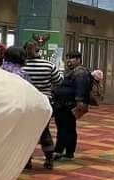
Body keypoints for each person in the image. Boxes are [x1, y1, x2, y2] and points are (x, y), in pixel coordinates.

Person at [23, 40, 62, 169]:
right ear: (39, 50)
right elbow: (59, 81)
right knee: (44, 130)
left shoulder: (22, 66)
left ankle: (27, 160)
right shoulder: (49, 65)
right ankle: (49, 159)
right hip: (45, 102)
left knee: (27, 132)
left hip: (27, 102)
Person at [52, 51, 90, 161]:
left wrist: (79, 102)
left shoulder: (80, 73)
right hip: (63, 104)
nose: (68, 61)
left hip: (68, 105)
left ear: (78, 60)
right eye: (67, 58)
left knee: (65, 128)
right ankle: (68, 151)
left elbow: (81, 89)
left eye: (72, 58)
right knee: (67, 128)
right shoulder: (72, 72)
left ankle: (60, 150)